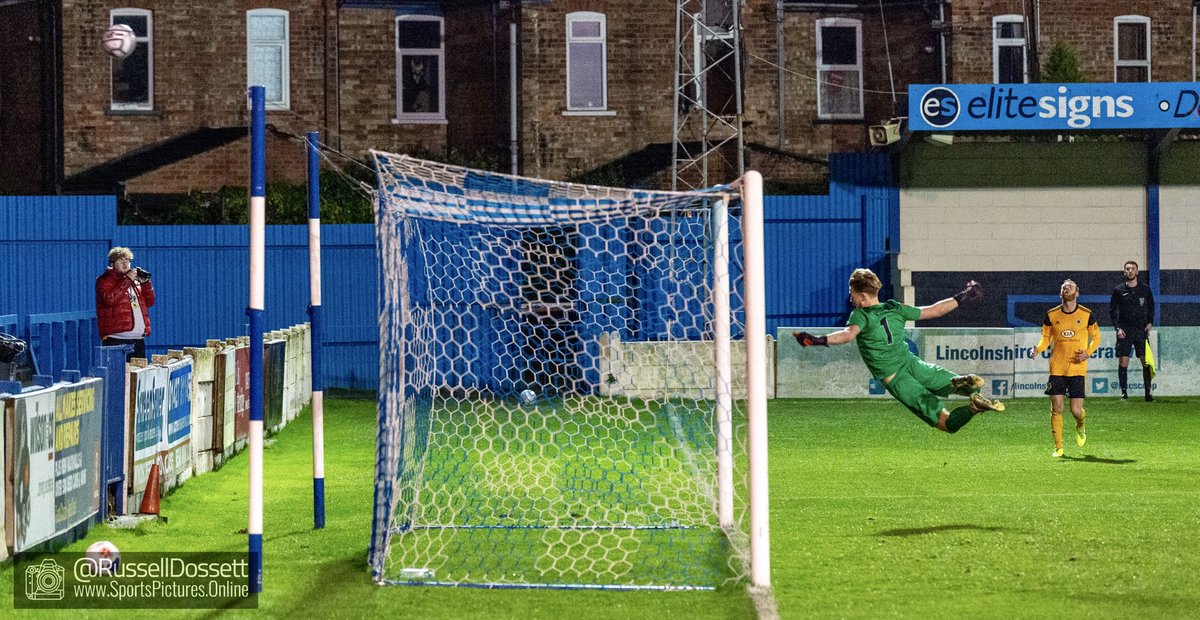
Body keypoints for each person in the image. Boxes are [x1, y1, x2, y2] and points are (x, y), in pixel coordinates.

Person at [793, 268, 1004, 434]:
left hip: (898, 379)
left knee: (946, 424)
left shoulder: (861, 315)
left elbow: (848, 335)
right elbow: (933, 310)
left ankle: (973, 407)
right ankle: (960, 384)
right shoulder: (895, 308)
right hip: (914, 364)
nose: (851, 299)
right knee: (949, 385)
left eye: (852, 294)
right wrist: (963, 295)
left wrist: (817, 340)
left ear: (864, 297)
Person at [1030, 279, 1100, 458]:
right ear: (1060, 293)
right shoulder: (1052, 315)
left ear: (1077, 292)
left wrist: (1088, 352)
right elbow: (1046, 338)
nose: (1066, 288)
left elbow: (1097, 338)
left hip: (1077, 368)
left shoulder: (1087, 314)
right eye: (1063, 287)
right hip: (1057, 368)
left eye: (1070, 286)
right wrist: (1037, 349)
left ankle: (1081, 423)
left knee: (1075, 410)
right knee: (1057, 407)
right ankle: (1059, 447)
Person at [95, 246, 155, 361]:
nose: (125, 264)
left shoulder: (134, 281)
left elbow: (150, 302)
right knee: (117, 376)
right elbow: (109, 299)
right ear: (112, 263)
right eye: (121, 261)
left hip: (138, 340)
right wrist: (127, 279)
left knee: (136, 376)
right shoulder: (104, 280)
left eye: (127, 260)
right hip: (116, 339)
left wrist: (146, 284)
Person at [1109, 260, 1155, 401]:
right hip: (1125, 331)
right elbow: (1112, 311)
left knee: (1145, 362)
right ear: (1124, 272)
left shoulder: (1145, 289)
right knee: (1123, 362)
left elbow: (1152, 307)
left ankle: (1148, 394)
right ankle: (1124, 394)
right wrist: (1117, 328)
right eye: (1127, 269)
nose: (1129, 271)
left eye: (1132, 269)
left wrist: (1150, 322)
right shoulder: (1118, 290)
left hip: (1141, 330)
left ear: (1137, 272)